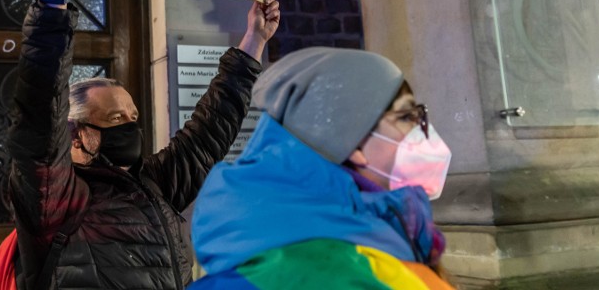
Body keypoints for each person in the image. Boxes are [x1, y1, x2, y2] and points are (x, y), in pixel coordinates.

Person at [7, 0, 280, 290]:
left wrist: (254, 41)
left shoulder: (153, 182)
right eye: (116, 118)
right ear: (75, 135)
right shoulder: (57, 198)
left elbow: (208, 132)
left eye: (133, 118)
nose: (130, 127)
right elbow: (39, 110)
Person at [189, 47, 455, 289]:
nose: (423, 131)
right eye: (407, 117)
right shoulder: (360, 273)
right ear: (353, 140)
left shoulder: (375, 240)